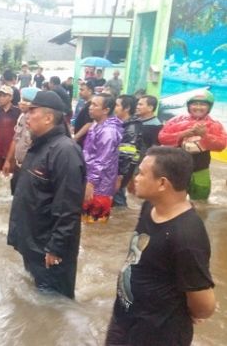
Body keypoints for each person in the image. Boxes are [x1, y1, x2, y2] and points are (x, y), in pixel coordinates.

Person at [106, 147, 215, 346]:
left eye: (141, 173)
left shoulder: (187, 236)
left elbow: (204, 306)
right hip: (125, 318)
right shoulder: (151, 206)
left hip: (157, 334)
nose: (136, 178)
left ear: (162, 183)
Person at [7, 90, 85, 299]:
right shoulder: (40, 145)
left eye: (33, 112)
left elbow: (68, 206)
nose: (27, 116)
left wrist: (56, 248)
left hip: (48, 250)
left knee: (53, 305)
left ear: (49, 118)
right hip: (33, 243)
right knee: (36, 305)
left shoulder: (64, 151)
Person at [158, 90, 227, 200]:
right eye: (195, 104)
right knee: (172, 200)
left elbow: (221, 145)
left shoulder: (214, 124)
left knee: (201, 203)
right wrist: (182, 134)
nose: (198, 107)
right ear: (189, 106)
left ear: (209, 107)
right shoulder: (176, 121)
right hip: (177, 168)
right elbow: (162, 137)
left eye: (202, 104)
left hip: (201, 169)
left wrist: (205, 135)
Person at [82, 93, 123, 224]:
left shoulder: (108, 132)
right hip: (91, 180)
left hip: (99, 186)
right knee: (86, 222)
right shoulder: (96, 125)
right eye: (91, 104)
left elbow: (102, 160)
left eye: (95, 105)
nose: (90, 107)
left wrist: (90, 183)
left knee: (95, 224)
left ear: (106, 110)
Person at [2, 87, 39, 194]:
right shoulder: (21, 116)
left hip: (30, 167)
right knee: (14, 192)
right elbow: (15, 139)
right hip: (19, 165)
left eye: (26, 100)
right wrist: (8, 160)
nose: (22, 103)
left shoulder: (35, 121)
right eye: (22, 99)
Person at [113, 95, 142, 207]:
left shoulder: (131, 129)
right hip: (122, 171)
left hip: (121, 172)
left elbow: (126, 155)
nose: (114, 108)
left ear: (127, 108)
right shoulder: (124, 124)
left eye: (117, 105)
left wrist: (120, 176)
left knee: (118, 200)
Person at [0, 85, 20, 175]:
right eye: (0, 96)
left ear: (11, 97)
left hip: (11, 150)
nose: (0, 98)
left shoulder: (18, 112)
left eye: (4, 96)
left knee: (8, 176)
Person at [73, 82, 95, 147]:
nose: (80, 92)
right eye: (80, 90)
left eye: (82, 90)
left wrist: (76, 137)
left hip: (83, 141)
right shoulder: (86, 103)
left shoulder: (90, 105)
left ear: (90, 91)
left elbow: (89, 123)